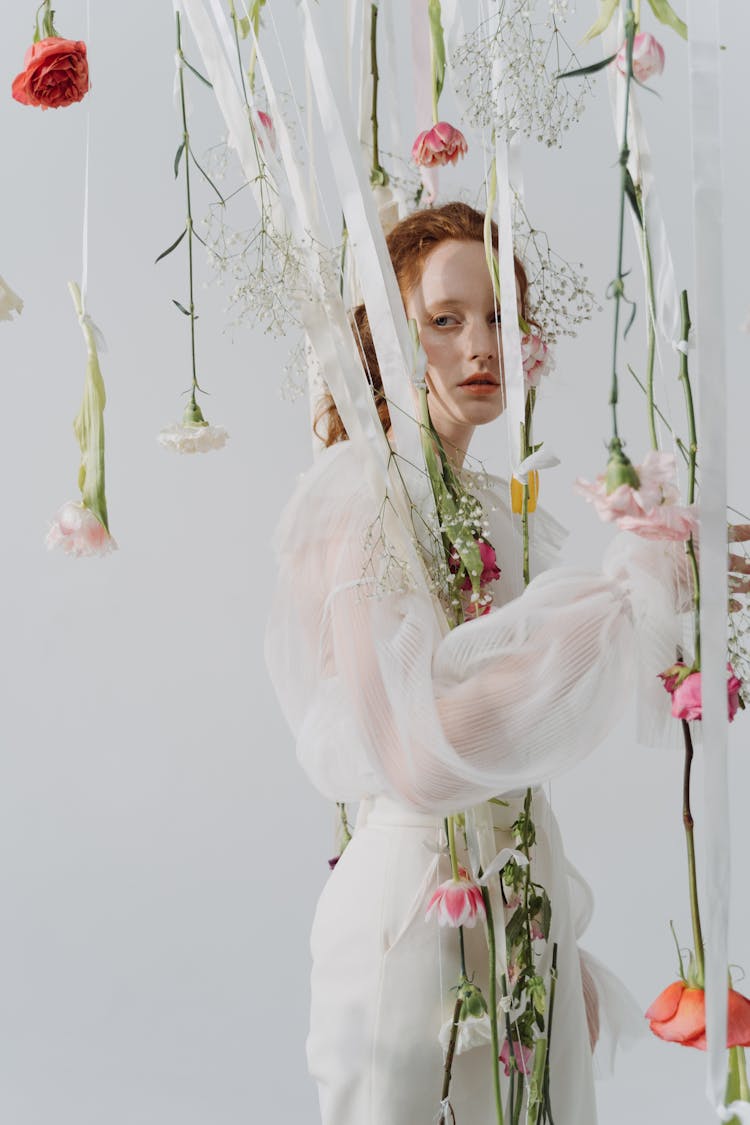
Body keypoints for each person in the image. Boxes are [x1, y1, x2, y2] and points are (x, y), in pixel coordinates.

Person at [265, 202, 686, 1123]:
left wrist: (548, 939)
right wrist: (611, 611)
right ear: (388, 340)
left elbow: (505, 719)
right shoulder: (356, 500)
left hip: (517, 912)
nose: (480, 344)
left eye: (498, 316)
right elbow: (414, 753)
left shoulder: (496, 505)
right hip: (413, 914)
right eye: (445, 320)